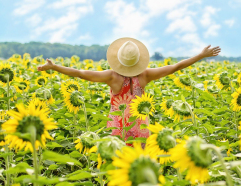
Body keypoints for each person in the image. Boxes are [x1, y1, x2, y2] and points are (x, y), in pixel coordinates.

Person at [37, 37, 221, 142]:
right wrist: (201, 55)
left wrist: (55, 67)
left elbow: (80, 73)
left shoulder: (112, 77)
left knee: (120, 167)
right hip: (141, 127)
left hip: (120, 128)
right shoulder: (145, 75)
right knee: (139, 167)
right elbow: (176, 66)